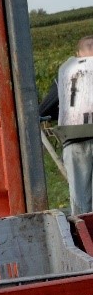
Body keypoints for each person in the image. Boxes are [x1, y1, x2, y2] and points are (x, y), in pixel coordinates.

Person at [39, 36, 93, 216]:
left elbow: (46, 108)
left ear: (78, 54)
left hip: (74, 140)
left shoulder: (68, 71)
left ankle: (84, 237)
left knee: (79, 200)